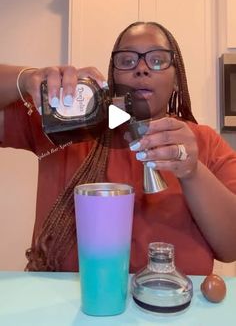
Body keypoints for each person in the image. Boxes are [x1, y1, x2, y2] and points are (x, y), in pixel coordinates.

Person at [1, 21, 236, 274]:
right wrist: (25, 79)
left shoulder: (205, 142)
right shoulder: (66, 126)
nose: (142, 69)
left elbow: (231, 247)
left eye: (157, 60)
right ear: (112, 77)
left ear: (177, 79)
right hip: (68, 306)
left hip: (176, 306)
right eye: (126, 61)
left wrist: (192, 172)